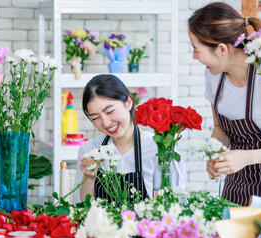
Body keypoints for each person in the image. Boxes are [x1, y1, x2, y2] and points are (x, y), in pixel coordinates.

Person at [187, 2, 261, 206]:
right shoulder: (214, 76)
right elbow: (219, 128)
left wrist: (247, 158)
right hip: (238, 180)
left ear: (222, 49)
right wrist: (215, 154)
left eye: (196, 49)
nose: (194, 56)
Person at [72, 74, 186, 203]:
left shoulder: (158, 148)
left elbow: (178, 204)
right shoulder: (89, 150)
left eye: (110, 112)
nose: (106, 123)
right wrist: (89, 177)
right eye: (95, 118)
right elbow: (80, 208)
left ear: (128, 103)